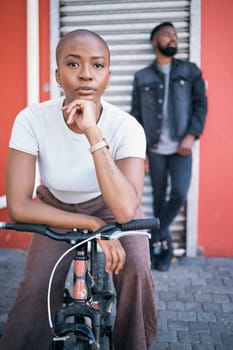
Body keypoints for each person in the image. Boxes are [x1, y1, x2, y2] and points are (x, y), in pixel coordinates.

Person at [0, 29, 157, 350]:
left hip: (112, 204)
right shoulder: (32, 119)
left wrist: (92, 133)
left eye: (97, 66)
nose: (86, 74)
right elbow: (18, 205)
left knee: (137, 269)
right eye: (73, 64)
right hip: (55, 207)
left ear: (108, 76)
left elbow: (126, 209)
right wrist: (93, 227)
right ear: (58, 74)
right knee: (37, 287)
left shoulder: (127, 127)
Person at [131, 22, 207, 271]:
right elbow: (137, 116)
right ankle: (164, 252)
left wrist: (192, 135)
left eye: (175, 35)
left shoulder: (190, 71)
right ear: (155, 42)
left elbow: (200, 105)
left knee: (179, 194)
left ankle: (153, 236)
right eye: (167, 34)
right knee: (159, 199)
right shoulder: (142, 76)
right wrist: (140, 152)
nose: (173, 38)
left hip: (180, 148)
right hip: (154, 149)